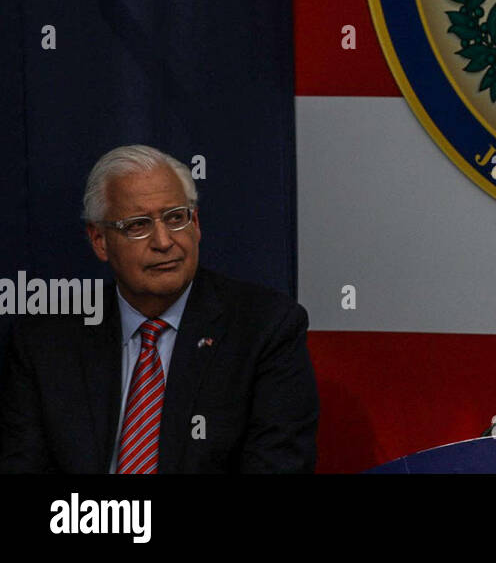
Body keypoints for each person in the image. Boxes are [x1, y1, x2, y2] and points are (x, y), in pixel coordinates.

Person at [0, 145, 318, 472]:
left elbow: (278, 466)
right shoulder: (46, 340)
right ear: (99, 241)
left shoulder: (264, 328)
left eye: (176, 218)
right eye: (138, 225)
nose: (164, 241)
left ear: (196, 224)